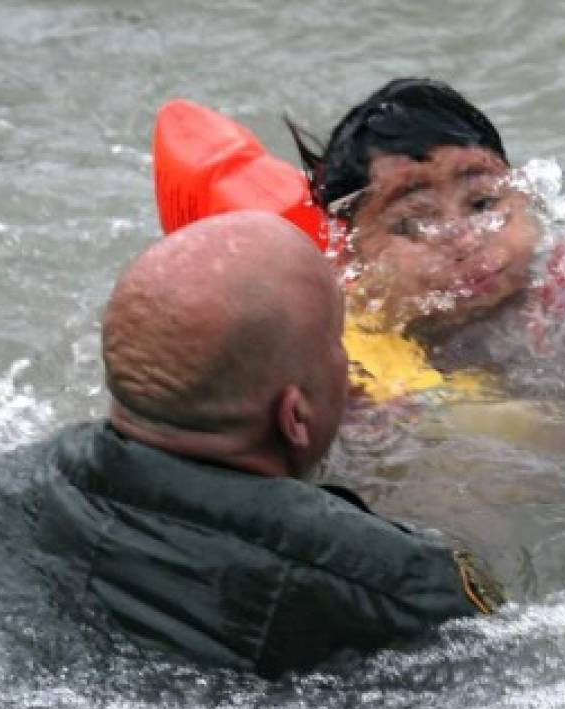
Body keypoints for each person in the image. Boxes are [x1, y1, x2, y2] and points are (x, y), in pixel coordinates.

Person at [29, 210, 502, 678]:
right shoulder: (401, 588)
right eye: (339, 343)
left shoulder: (13, 485)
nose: (354, 371)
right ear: (295, 418)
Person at [289, 77, 565, 402]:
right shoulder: (354, 367)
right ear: (352, 257)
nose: (465, 240)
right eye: (413, 224)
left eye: (483, 203)